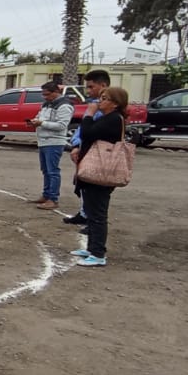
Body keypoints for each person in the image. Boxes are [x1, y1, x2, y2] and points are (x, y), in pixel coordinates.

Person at [70, 87, 129, 267]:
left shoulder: (113, 119)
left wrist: (88, 114)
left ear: (115, 103)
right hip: (92, 170)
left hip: (102, 171)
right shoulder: (107, 118)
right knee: (91, 209)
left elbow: (87, 133)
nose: (99, 102)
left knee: (97, 213)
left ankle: (98, 253)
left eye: (104, 99)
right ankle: (91, 248)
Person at [65, 69, 112, 226]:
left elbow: (89, 130)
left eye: (91, 87)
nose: (88, 91)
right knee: (84, 185)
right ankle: (85, 213)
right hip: (84, 150)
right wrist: (76, 145)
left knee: (94, 189)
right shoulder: (94, 106)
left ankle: (92, 221)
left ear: (103, 85)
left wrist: (90, 114)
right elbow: (81, 131)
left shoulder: (106, 110)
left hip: (97, 155)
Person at [28, 81, 74, 210]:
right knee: (46, 170)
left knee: (52, 171)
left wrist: (41, 123)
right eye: (43, 94)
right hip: (44, 141)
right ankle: (46, 195)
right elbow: (39, 116)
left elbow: (61, 125)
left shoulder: (64, 106)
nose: (45, 97)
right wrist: (34, 121)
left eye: (47, 94)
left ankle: (53, 198)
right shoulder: (46, 104)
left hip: (54, 142)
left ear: (56, 92)